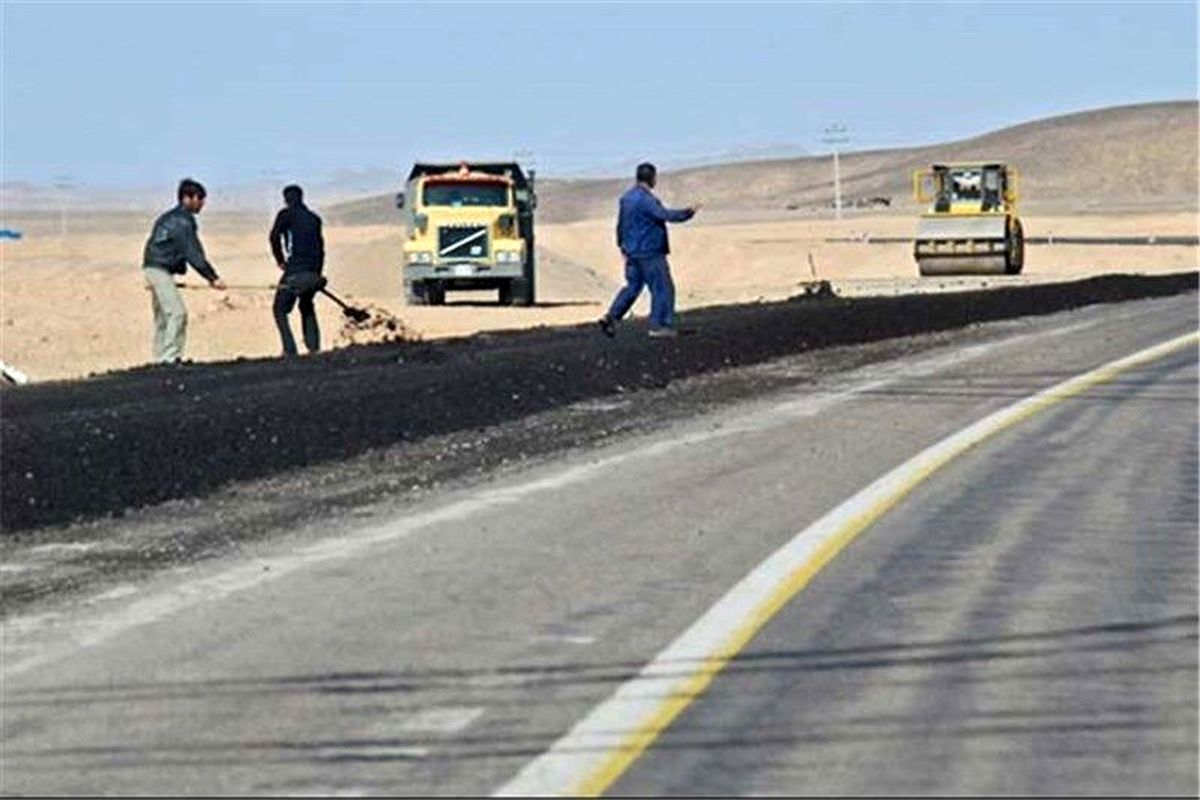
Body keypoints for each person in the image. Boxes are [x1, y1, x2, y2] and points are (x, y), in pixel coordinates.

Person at [599, 162, 699, 338]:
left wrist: (622, 245)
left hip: (631, 252)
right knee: (663, 288)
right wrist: (688, 212)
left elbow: (621, 225)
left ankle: (611, 317)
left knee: (633, 287)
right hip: (649, 252)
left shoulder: (626, 198)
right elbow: (665, 215)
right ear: (652, 178)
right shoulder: (646, 200)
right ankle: (659, 325)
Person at [142, 178, 226, 364]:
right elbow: (193, 253)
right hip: (159, 269)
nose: (203, 203)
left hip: (155, 268)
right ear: (188, 198)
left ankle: (160, 359)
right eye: (200, 198)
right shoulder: (181, 221)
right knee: (177, 313)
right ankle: (170, 358)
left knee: (164, 316)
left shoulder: (172, 217)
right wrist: (212, 278)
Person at [269, 184, 325, 356]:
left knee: (279, 308)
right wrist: (317, 273)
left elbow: (273, 237)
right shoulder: (314, 218)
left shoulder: (286, 215)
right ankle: (313, 347)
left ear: (286, 200)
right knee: (306, 303)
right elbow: (321, 247)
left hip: (295, 269)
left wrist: (280, 261)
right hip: (313, 269)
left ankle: (289, 348)